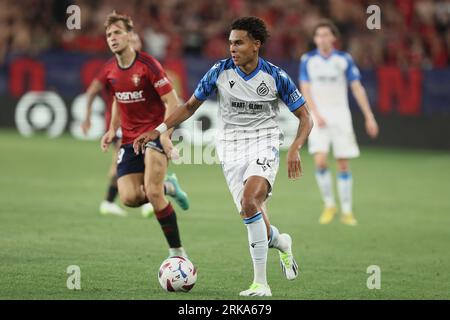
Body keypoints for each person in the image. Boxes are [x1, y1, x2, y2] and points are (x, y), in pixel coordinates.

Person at [133, 17, 313, 297]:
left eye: (239, 42)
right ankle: (282, 242)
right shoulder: (220, 71)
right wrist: (158, 130)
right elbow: (191, 105)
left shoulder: (275, 76)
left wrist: (294, 147)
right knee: (251, 215)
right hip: (230, 151)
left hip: (264, 145)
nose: (232, 48)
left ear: (256, 45)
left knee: (250, 201)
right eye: (230, 43)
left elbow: (305, 117)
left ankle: (260, 284)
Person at [99, 11, 189, 258]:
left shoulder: (149, 66)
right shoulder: (110, 71)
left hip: (154, 134)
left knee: (152, 192)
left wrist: (164, 135)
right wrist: (112, 129)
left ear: (129, 36)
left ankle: (177, 254)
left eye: (117, 32)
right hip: (129, 139)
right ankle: (170, 186)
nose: (113, 38)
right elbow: (118, 98)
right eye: (109, 34)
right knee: (129, 198)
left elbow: (173, 102)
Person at [81, 31, 185, 218]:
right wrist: (108, 125)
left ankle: (150, 197)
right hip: (126, 128)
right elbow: (112, 97)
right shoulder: (112, 67)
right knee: (118, 168)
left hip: (149, 128)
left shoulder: (149, 68)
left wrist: (165, 130)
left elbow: (169, 99)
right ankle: (157, 192)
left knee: (148, 166)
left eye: (137, 41)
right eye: (131, 40)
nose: (134, 44)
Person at [299, 20, 379, 226]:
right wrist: (315, 114)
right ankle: (329, 204)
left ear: (334, 38)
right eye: (319, 35)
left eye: (326, 35)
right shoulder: (307, 60)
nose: (323, 38)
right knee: (321, 161)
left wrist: (369, 116)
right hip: (318, 117)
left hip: (341, 116)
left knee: (343, 164)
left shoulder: (344, 59)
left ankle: (346, 210)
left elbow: (357, 88)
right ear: (315, 39)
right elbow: (305, 90)